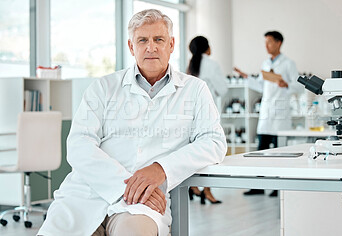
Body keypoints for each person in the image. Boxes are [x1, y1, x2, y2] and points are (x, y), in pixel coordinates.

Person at [38, 9, 227, 236]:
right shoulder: (103, 88)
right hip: (86, 194)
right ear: (131, 46)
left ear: (171, 44)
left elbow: (214, 141)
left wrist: (161, 169)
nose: (151, 47)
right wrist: (127, 186)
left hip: (143, 206)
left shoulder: (195, 90)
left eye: (159, 39)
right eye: (142, 40)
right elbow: (79, 144)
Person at [234, 31, 302, 196]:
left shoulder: (288, 64)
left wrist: (286, 85)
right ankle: (258, 186)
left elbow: (298, 85)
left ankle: (278, 188)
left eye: (270, 42)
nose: (266, 45)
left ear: (278, 43)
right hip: (266, 112)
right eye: (265, 42)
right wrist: (246, 77)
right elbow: (261, 86)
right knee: (260, 151)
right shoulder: (265, 63)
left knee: (279, 152)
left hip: (280, 112)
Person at [186, 36, 228, 205]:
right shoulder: (211, 64)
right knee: (211, 154)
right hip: (207, 116)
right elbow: (223, 89)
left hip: (191, 116)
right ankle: (207, 191)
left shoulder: (190, 65)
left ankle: (194, 187)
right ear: (207, 48)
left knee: (195, 152)